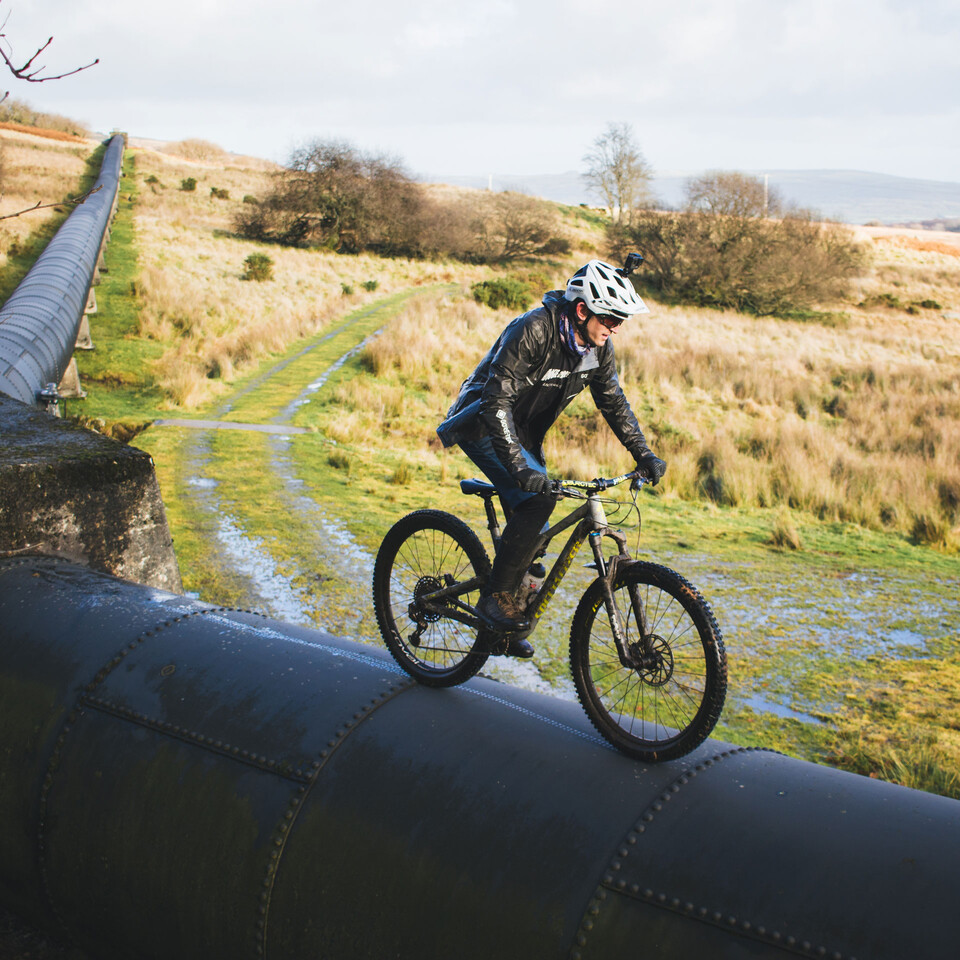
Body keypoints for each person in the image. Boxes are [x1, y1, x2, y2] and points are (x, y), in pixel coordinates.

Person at [436, 257, 666, 657]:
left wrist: (642, 452)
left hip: (521, 430)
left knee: (534, 532)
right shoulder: (534, 329)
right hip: (485, 421)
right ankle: (494, 601)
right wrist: (520, 467)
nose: (614, 329)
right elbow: (496, 403)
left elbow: (613, 402)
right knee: (537, 500)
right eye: (610, 319)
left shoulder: (597, 348)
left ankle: (501, 632)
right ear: (582, 310)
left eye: (619, 323)